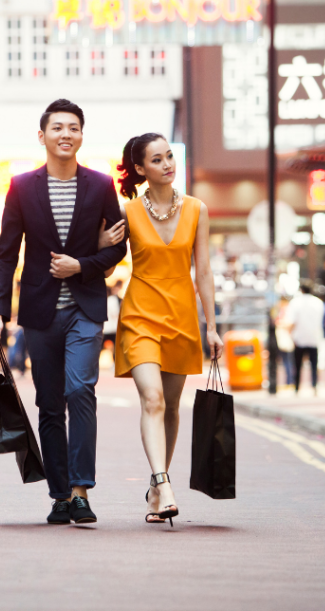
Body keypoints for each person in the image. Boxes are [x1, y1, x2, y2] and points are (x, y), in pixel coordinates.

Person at [0, 99, 127, 525]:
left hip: (85, 308)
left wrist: (82, 265)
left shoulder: (101, 185)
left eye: (74, 128)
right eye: (58, 127)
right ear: (43, 135)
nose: (66, 134)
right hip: (39, 313)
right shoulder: (22, 187)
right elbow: (6, 254)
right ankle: (60, 495)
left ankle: (82, 491)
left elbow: (119, 245)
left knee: (80, 390)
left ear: (82, 135)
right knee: (48, 404)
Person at [110, 132, 223, 526]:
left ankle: (157, 490)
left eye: (170, 156)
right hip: (139, 315)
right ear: (140, 169)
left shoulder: (196, 209)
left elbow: (204, 270)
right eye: (156, 160)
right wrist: (102, 245)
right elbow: (106, 268)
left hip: (181, 317)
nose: (167, 164)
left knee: (172, 406)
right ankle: (163, 481)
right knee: (153, 399)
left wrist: (212, 326)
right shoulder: (127, 212)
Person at [285, 282, 325, 394]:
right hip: (314, 337)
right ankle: (314, 386)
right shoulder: (318, 303)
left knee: (297, 365)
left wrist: (289, 334)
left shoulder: (295, 303)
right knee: (314, 365)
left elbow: (292, 321)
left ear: (301, 290)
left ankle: (297, 388)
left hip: (299, 338)